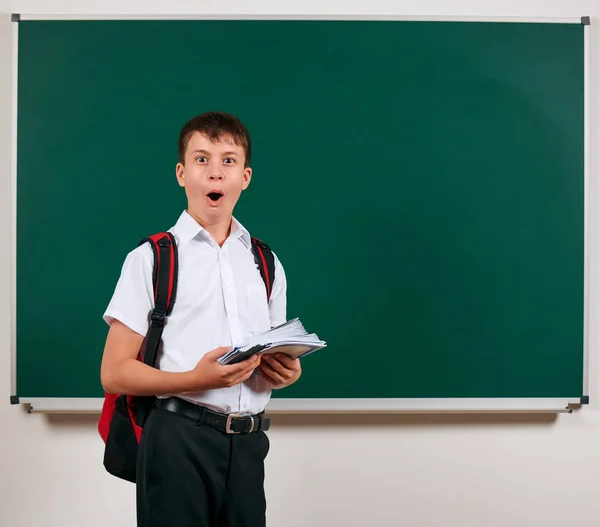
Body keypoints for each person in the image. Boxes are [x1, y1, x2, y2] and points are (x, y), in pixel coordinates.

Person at [100, 111, 302, 527]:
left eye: (228, 161)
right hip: (177, 439)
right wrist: (196, 379)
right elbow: (114, 373)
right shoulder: (152, 259)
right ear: (181, 173)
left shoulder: (266, 262)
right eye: (201, 159)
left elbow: (270, 354)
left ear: (245, 177)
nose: (215, 173)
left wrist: (286, 371)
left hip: (249, 445)